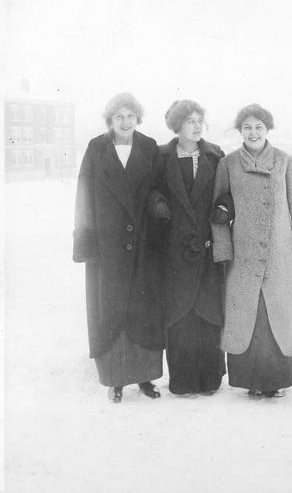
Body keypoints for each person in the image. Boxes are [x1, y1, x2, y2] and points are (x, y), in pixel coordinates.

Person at [211, 103, 292, 398]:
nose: (253, 132)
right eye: (247, 127)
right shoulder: (228, 164)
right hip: (244, 259)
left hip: (280, 257)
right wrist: (223, 249)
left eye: (258, 127)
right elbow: (217, 210)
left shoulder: (285, 162)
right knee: (249, 318)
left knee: (278, 317)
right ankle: (251, 381)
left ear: (267, 130)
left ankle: (278, 381)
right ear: (240, 131)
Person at [73, 92, 165, 403]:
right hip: (107, 248)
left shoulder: (149, 147)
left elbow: (158, 188)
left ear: (138, 118)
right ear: (110, 120)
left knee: (144, 311)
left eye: (130, 116)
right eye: (118, 117)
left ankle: (146, 379)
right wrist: (85, 242)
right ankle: (115, 380)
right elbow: (84, 193)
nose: (125, 122)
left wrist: (158, 203)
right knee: (110, 311)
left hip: (143, 247)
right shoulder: (96, 148)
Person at [151, 99, 226, 395]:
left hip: (206, 251)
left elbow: (226, 193)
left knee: (208, 315)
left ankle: (210, 380)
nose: (197, 126)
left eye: (200, 120)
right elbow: (151, 189)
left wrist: (224, 208)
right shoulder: (161, 156)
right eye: (190, 121)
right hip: (175, 252)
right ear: (177, 126)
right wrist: (155, 201)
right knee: (180, 317)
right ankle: (181, 382)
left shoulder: (215, 156)